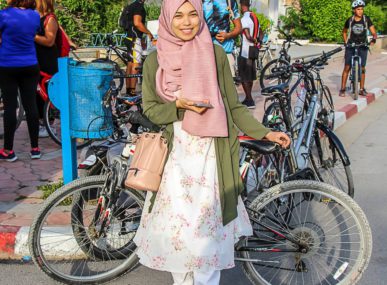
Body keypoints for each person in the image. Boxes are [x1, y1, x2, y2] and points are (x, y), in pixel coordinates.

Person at [133, 1, 291, 284]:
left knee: (208, 245)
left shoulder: (215, 53)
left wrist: (264, 132)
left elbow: (233, 106)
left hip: (211, 161)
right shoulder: (155, 61)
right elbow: (151, 109)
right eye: (178, 15)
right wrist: (179, 107)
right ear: (167, 18)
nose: (186, 22)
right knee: (178, 242)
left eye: (193, 14)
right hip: (174, 165)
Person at [0, 0, 41, 162]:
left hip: (7, 65)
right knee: (31, 105)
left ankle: (8, 150)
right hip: (30, 64)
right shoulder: (34, 15)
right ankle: (35, 149)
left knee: (10, 107)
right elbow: (32, 33)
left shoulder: (4, 14)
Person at [339, 0, 377, 97]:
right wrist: (345, 42)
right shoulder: (350, 20)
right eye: (358, 9)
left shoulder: (366, 19)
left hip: (363, 45)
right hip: (351, 46)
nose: (360, 11)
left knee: (363, 68)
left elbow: (374, 32)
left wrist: (373, 39)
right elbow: (344, 32)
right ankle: (342, 89)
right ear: (354, 10)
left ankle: (361, 89)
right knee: (347, 67)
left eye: (362, 9)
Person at [34, 0, 59, 138]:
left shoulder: (50, 19)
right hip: (36, 59)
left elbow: (49, 41)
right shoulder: (35, 17)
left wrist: (32, 36)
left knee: (47, 91)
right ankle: (40, 122)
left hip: (47, 60)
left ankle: (49, 123)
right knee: (37, 92)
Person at [123, 0, 156, 96]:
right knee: (136, 65)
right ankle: (132, 92)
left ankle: (129, 91)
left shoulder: (131, 6)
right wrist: (149, 33)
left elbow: (132, 25)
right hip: (134, 39)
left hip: (129, 38)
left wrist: (141, 40)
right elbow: (137, 23)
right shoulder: (139, 6)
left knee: (130, 63)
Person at [203, 0, 242, 79]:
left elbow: (239, 28)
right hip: (204, 54)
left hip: (225, 53)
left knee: (227, 89)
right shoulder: (199, 2)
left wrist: (228, 35)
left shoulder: (230, 2)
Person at [238, 0, 259, 109]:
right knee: (250, 74)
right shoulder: (254, 17)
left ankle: (249, 100)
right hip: (253, 50)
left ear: (242, 5)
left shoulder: (244, 18)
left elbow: (246, 35)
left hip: (245, 50)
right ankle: (248, 98)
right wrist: (257, 41)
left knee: (244, 75)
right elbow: (262, 32)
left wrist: (253, 39)